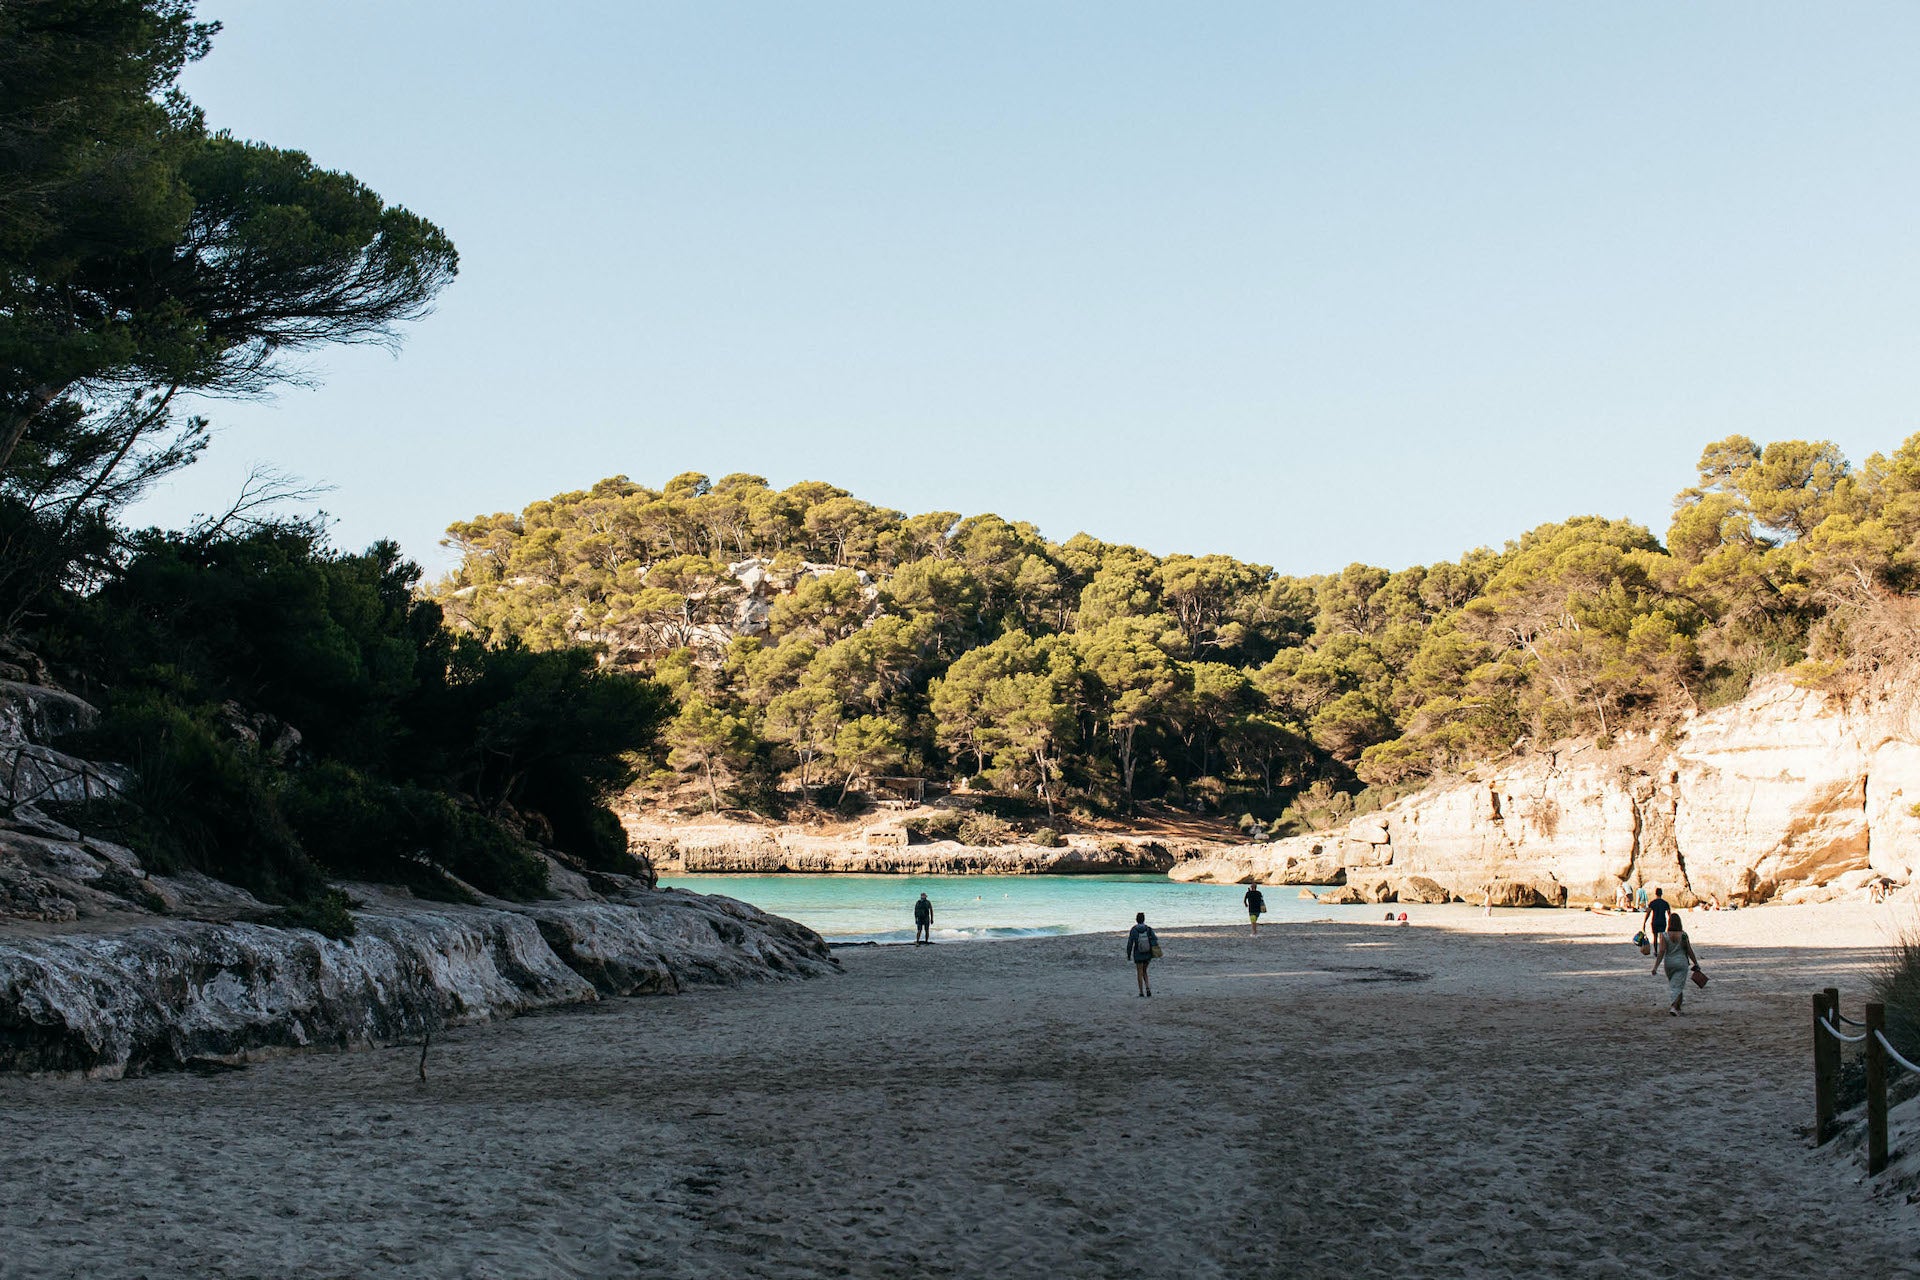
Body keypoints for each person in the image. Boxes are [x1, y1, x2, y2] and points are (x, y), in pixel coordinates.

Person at [1651, 912, 1702, 1016]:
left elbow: (1662, 951)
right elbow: (1689, 950)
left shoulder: (1664, 935)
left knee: (1676, 985)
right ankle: (1674, 1007)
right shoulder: (1683, 935)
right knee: (1678, 985)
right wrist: (1695, 962)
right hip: (1681, 962)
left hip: (1669, 963)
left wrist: (1655, 967)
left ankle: (1678, 1007)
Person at [1126, 912, 1158, 997]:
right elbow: (1155, 939)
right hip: (1148, 953)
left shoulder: (1134, 930)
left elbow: (1130, 943)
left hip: (1138, 953)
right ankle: (1147, 988)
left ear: (1136, 920)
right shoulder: (1148, 929)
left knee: (1139, 972)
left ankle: (1141, 992)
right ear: (1144, 919)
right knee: (1145, 971)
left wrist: (1128, 954)